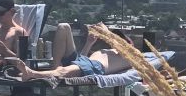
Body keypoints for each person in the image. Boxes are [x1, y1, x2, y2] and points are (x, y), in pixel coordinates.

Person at [8, 22, 138, 83]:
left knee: (64, 72)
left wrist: (106, 32)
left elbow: (87, 66)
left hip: (95, 67)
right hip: (82, 61)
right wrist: (89, 43)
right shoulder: (106, 51)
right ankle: (56, 66)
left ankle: (32, 73)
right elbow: (82, 59)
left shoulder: (129, 55)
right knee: (64, 27)